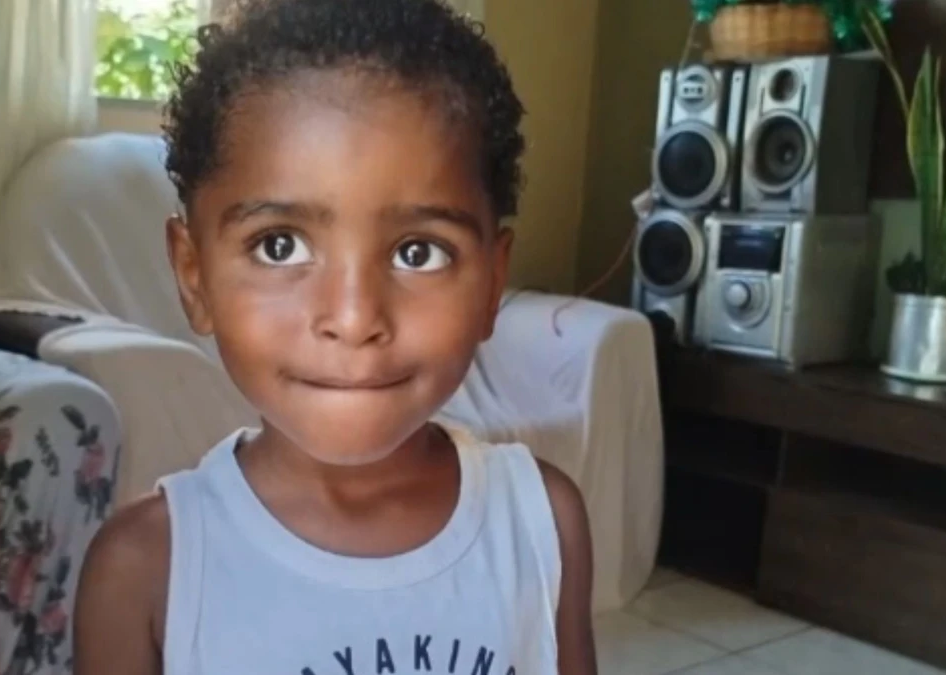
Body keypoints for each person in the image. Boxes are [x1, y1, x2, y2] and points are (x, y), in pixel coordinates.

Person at [74, 0, 598, 673]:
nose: (353, 318)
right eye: (280, 245)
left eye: (418, 252)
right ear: (194, 275)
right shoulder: (146, 570)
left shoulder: (541, 522)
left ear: (493, 284)